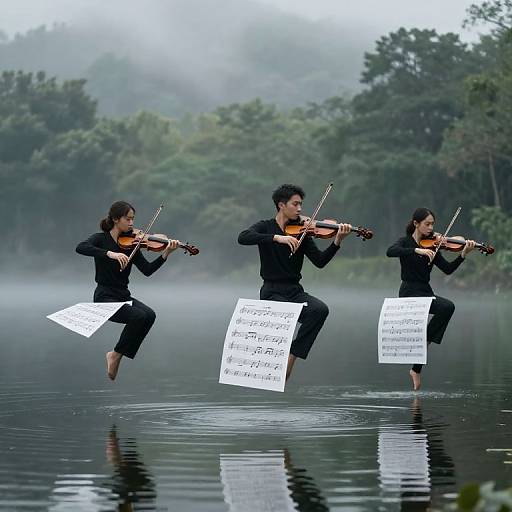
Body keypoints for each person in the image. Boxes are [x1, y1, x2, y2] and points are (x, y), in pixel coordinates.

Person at [238, 184, 352, 381]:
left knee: (320, 310)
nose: (300, 209)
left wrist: (337, 241)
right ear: (282, 205)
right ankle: (269, 362)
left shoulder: (303, 231)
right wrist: (277, 238)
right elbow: (243, 237)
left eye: (301, 204)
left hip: (295, 291)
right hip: (271, 292)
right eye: (295, 204)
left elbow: (320, 262)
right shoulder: (265, 227)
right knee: (287, 315)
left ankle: (291, 357)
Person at [76, 201, 178, 380]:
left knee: (149, 315)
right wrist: (109, 253)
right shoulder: (100, 239)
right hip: (104, 298)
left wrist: (166, 254)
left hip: (123, 295)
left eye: (133, 219)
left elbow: (147, 271)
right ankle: (115, 354)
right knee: (138, 317)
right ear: (116, 219)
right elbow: (81, 247)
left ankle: (117, 355)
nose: (132, 223)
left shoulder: (133, 244)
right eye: (128, 219)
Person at [386, 208, 476, 390]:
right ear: (416, 224)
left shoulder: (433, 245)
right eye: (427, 224)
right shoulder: (405, 242)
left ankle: (417, 361)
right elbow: (390, 251)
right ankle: (422, 346)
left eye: (432, 224)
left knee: (448, 307)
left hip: (425, 291)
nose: (431, 227)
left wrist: (463, 254)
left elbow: (448, 269)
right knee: (446, 307)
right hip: (409, 291)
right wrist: (417, 250)